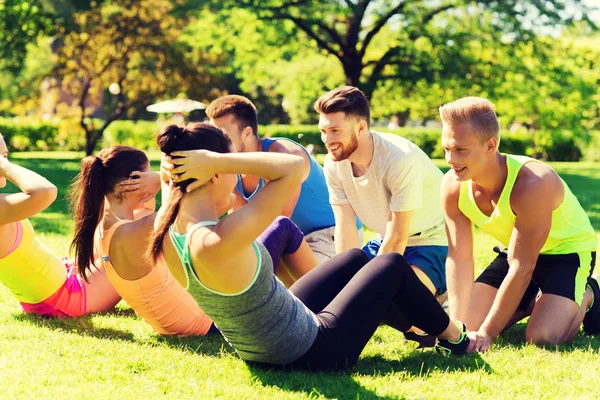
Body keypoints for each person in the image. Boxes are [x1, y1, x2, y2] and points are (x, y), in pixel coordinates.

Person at [151, 122, 471, 372]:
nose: (236, 179)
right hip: (315, 351)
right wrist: (217, 158)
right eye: (230, 171)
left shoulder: (167, 234)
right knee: (390, 265)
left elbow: (173, 196)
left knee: (355, 258)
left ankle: (417, 326)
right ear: (215, 172)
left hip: (261, 350)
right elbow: (294, 168)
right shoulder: (219, 239)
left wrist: (178, 171)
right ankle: (456, 338)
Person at [439, 96, 600, 352]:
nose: (450, 159)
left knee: (543, 336)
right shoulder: (452, 186)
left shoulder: (533, 183)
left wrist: (488, 334)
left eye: (460, 150)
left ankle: (590, 292)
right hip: (516, 250)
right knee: (470, 324)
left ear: (490, 145)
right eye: (446, 148)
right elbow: (458, 256)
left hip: (566, 254)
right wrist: (457, 329)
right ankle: (528, 302)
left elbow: (522, 266)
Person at [315, 86, 448, 304]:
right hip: (383, 240)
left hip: (431, 241)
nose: (327, 140)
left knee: (395, 303)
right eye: (323, 131)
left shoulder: (399, 159)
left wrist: (363, 291)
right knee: (335, 289)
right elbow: (345, 225)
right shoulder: (334, 162)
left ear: (361, 127)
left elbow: (398, 237)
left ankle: (442, 295)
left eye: (335, 131)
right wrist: (345, 278)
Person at [69, 145, 213, 336]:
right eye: (144, 177)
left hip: (183, 322)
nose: (149, 183)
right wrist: (160, 178)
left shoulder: (107, 227)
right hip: (203, 324)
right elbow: (217, 201)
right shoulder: (135, 231)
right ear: (130, 183)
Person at [206, 95, 363, 264]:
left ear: (247, 133)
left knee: (292, 286)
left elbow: (279, 223)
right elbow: (241, 222)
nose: (217, 144)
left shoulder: (285, 156)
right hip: (289, 240)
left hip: (328, 235)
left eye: (224, 136)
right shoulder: (230, 165)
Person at [0, 134, 120, 318]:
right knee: (133, 246)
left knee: (109, 241)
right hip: (66, 300)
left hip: (57, 291)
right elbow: (45, 191)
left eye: (5, 156)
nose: (4, 163)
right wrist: (5, 166)